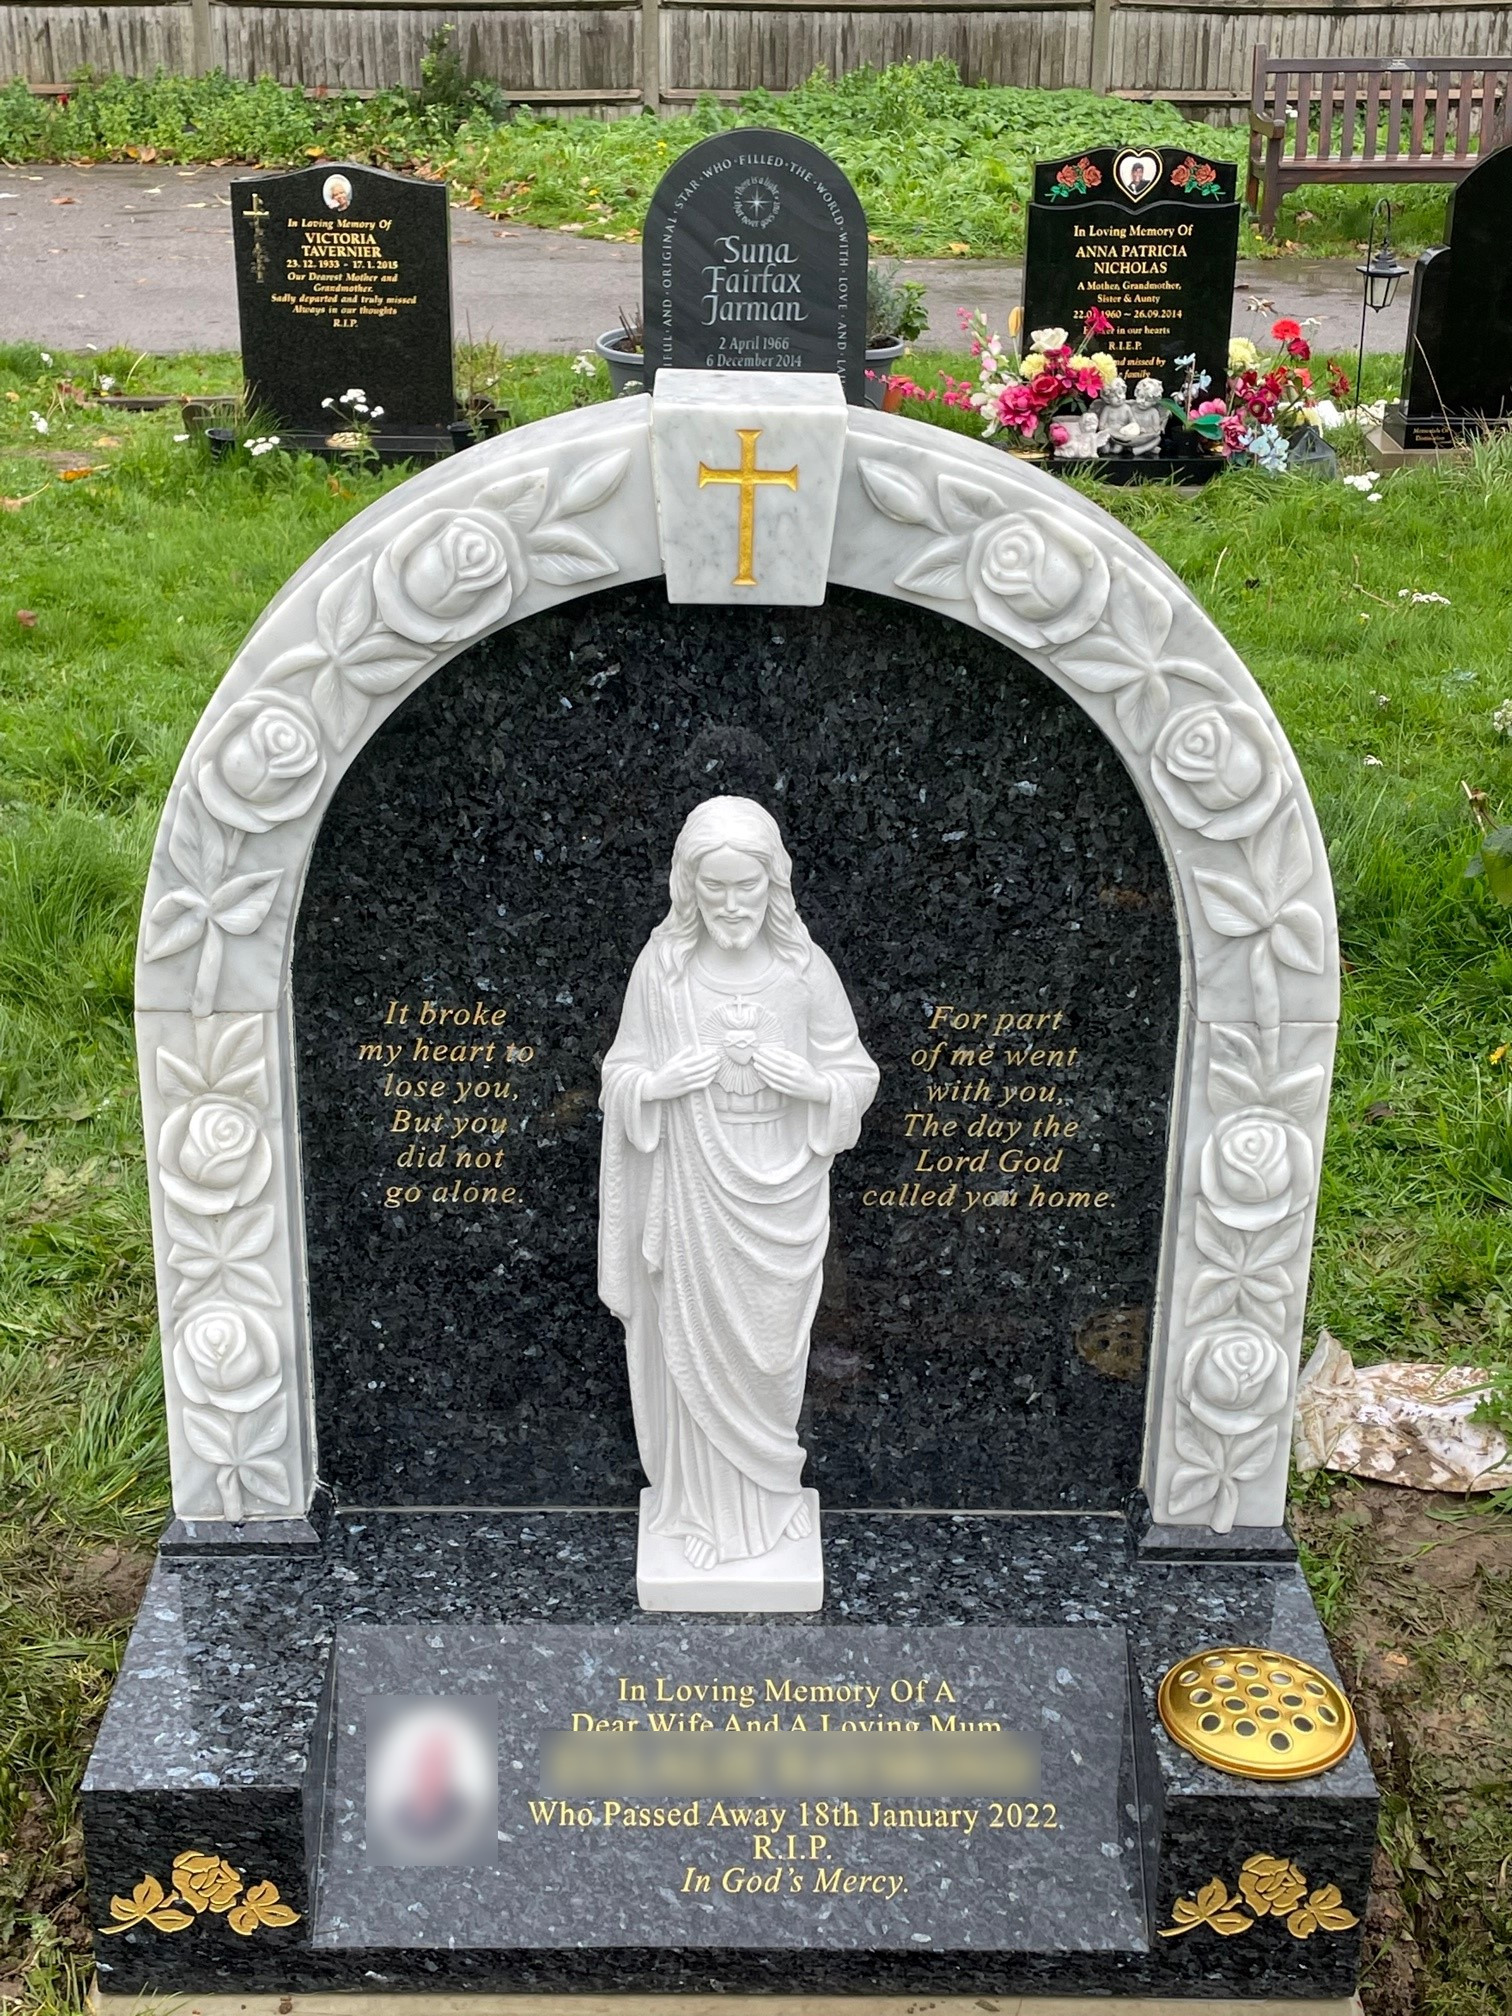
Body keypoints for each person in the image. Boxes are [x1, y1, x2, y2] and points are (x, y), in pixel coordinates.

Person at [599, 797, 878, 1572]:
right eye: (713, 888)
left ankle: (766, 1503)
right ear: (688, 888)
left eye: (744, 888)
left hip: (781, 1196)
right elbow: (617, 1076)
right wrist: (657, 1084)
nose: (730, 905)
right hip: (691, 1192)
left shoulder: (803, 970)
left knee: (768, 1363)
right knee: (691, 1349)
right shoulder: (663, 974)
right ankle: (697, 1511)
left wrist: (814, 1087)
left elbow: (857, 1073)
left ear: (771, 886)